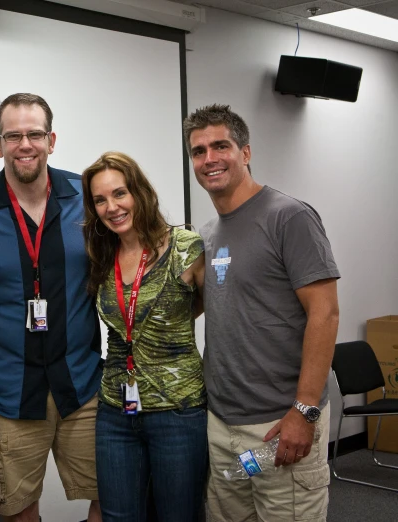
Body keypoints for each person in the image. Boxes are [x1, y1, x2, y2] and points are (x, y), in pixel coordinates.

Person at [0, 93, 102, 522]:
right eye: (12, 135)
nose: (25, 144)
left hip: (84, 388)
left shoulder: (88, 199)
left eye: (34, 134)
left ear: (51, 140)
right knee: (18, 512)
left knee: (113, 499)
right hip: (6, 395)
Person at [183, 104, 340, 522]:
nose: (209, 158)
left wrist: (304, 412)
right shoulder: (208, 233)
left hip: (279, 427)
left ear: (246, 152)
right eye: (198, 151)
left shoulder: (289, 217)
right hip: (224, 428)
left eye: (221, 146)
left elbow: (325, 314)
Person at [81, 151, 207, 521]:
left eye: (119, 194)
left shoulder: (185, 247)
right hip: (116, 410)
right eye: (100, 200)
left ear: (139, 192)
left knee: (178, 516)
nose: (112, 207)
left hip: (177, 410)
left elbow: (207, 308)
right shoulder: (101, 254)